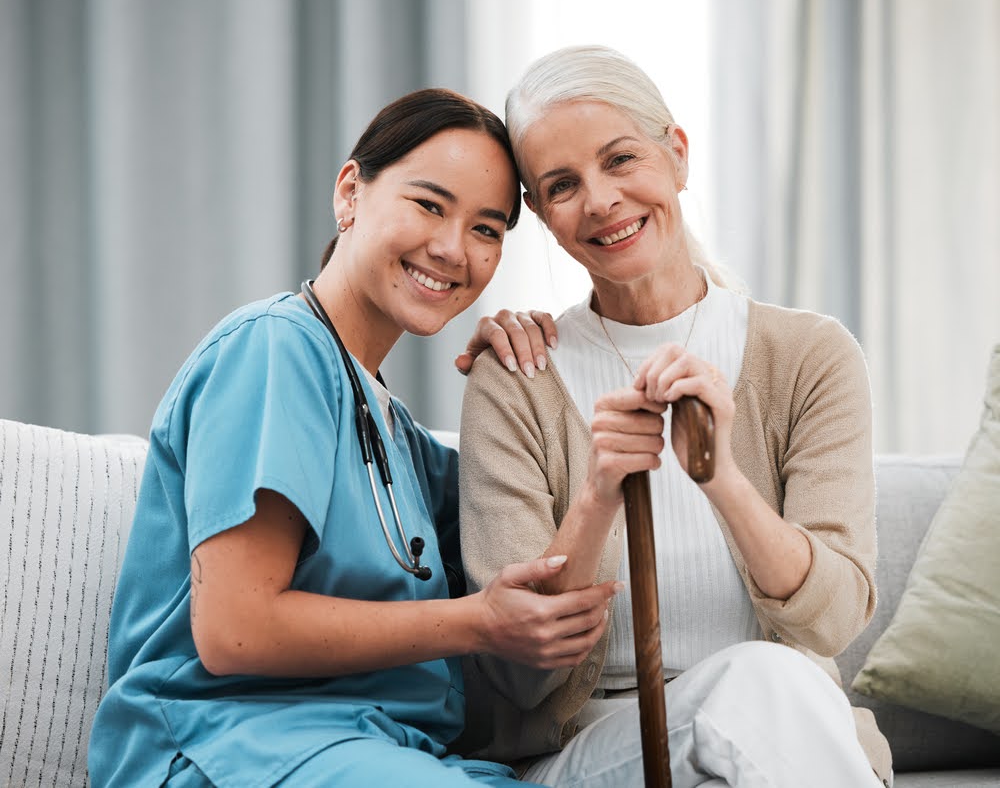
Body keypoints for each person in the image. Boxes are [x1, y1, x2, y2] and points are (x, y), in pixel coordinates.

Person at [87, 88, 623, 788]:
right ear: (350, 192)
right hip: (222, 745)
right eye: (429, 205)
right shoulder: (274, 350)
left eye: (487, 229)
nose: (451, 248)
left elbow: (528, 517)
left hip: (378, 752)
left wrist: (531, 378)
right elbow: (235, 627)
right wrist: (478, 621)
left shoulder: (396, 434)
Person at [456, 46, 892, 788]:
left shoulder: (808, 357)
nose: (599, 199)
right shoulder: (517, 378)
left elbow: (832, 620)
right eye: (563, 184)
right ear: (540, 214)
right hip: (595, 751)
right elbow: (518, 675)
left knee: (764, 685)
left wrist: (720, 476)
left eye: (620, 159)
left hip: (793, 736)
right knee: (754, 684)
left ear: (678, 154)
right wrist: (597, 494)